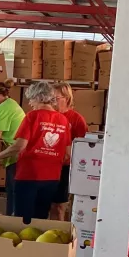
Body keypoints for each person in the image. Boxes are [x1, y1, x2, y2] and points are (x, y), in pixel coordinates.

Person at [0, 81, 71, 222]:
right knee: (40, 219)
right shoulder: (63, 120)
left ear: (39, 97)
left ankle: (23, 244)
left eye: (31, 99)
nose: (30, 103)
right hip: (52, 177)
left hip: (29, 175)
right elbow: (68, 152)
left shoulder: (32, 116)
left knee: (23, 220)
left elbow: (19, 146)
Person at [50, 83, 90, 220]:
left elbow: (84, 145)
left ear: (66, 98)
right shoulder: (48, 116)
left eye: (56, 98)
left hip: (65, 167)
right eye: (50, 98)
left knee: (59, 205)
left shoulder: (76, 119)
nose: (53, 102)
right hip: (48, 165)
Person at [0, 81, 25, 200]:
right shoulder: (11, 103)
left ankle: (11, 216)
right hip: (20, 151)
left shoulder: (2, 108)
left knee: (12, 189)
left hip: (15, 152)